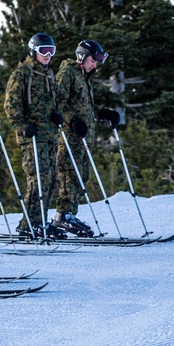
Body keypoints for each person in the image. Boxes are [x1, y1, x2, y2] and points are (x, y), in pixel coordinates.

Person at [53, 39, 120, 237]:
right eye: (94, 59)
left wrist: (102, 114)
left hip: (83, 137)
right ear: (82, 57)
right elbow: (58, 101)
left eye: (98, 60)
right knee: (69, 173)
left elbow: (85, 107)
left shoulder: (84, 77)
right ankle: (63, 215)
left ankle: (68, 214)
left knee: (81, 177)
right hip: (69, 135)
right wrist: (72, 120)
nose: (96, 64)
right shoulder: (67, 73)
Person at [4, 32, 67, 239]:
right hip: (32, 135)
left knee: (51, 180)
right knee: (39, 179)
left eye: (51, 51)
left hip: (49, 134)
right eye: (43, 51)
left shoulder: (49, 73)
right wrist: (21, 125)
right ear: (33, 51)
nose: (48, 55)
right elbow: (10, 104)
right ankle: (29, 224)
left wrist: (57, 115)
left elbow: (54, 99)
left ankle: (40, 220)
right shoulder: (23, 73)